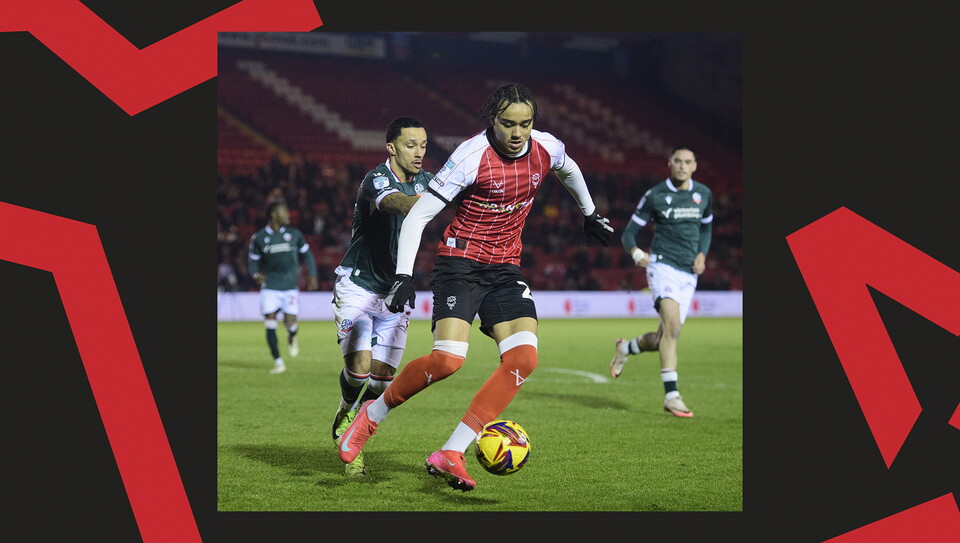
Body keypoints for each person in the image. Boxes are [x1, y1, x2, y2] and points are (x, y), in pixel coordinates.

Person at [337, 83, 614, 491]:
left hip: (505, 267)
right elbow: (418, 217)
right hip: (460, 264)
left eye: (525, 123)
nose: (518, 133)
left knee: (524, 359)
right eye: (508, 124)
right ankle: (370, 417)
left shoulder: (546, 147)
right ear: (492, 121)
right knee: (448, 362)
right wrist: (403, 276)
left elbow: (568, 168)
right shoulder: (470, 157)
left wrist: (589, 213)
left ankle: (451, 452)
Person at [329, 116, 432, 477]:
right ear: (391, 147)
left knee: (382, 379)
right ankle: (344, 412)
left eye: (422, 145)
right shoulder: (377, 180)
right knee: (358, 370)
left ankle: (355, 439)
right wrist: (435, 201)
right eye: (410, 145)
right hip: (358, 285)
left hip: (395, 291)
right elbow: (400, 205)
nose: (419, 152)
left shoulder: (426, 181)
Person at [608, 145, 713, 418]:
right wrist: (636, 253)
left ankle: (626, 348)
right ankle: (672, 395)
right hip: (662, 266)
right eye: (677, 161)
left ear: (694, 166)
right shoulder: (655, 195)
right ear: (670, 163)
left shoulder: (703, 194)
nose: (682, 166)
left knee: (661, 337)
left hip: (688, 273)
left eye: (687, 162)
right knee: (674, 329)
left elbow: (706, 227)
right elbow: (629, 234)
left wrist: (702, 254)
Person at [247, 200, 319, 374]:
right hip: (270, 286)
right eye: (284, 212)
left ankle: (292, 336)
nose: (288, 215)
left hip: (289, 286)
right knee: (270, 322)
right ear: (273, 214)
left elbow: (308, 255)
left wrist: (313, 275)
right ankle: (278, 362)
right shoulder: (260, 238)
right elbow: (253, 262)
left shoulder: (294, 235)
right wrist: (256, 275)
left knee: (290, 322)